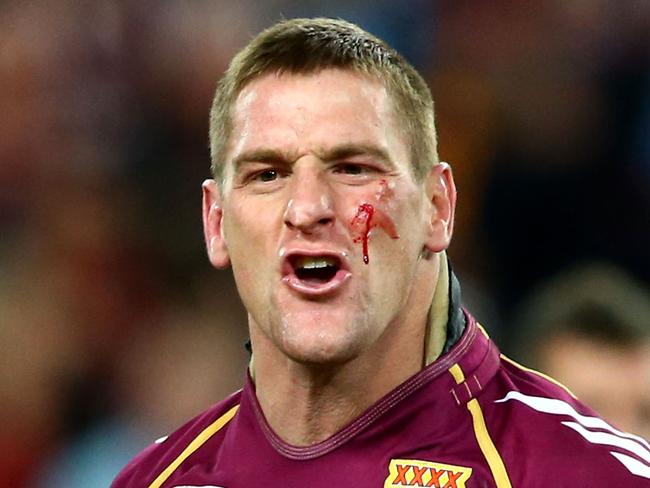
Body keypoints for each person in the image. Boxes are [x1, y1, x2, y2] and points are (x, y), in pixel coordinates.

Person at [113, 18, 650, 487]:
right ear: (216, 223)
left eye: (353, 168)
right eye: (267, 174)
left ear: (437, 209)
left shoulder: (585, 475)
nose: (307, 207)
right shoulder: (156, 480)